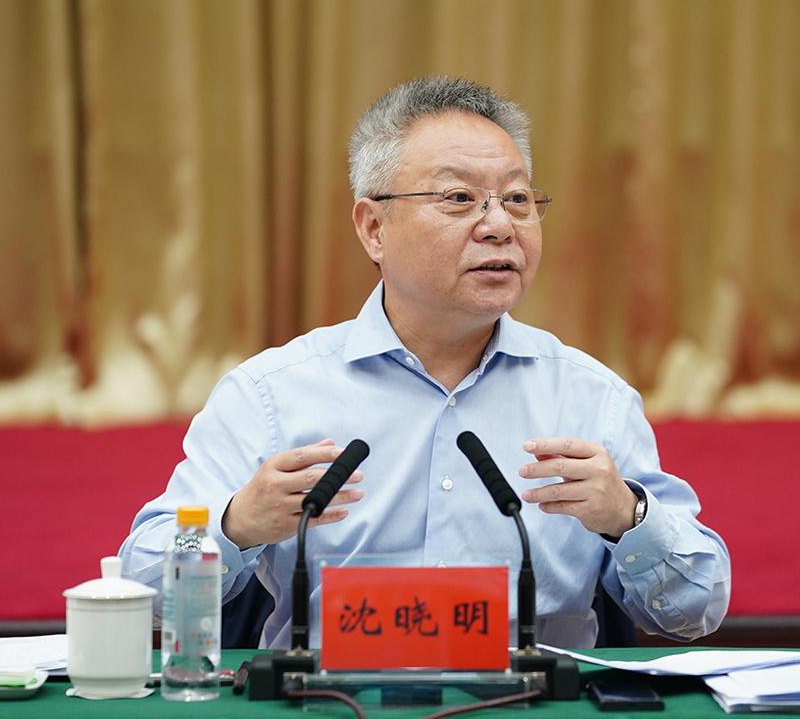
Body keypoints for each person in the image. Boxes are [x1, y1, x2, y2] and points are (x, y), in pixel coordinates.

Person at [120, 76, 730, 649]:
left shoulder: (592, 398)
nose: (500, 226)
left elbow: (695, 609)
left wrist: (629, 516)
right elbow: (145, 590)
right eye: (459, 198)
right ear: (374, 228)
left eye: (518, 199)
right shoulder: (273, 394)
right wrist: (235, 525)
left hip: (531, 705)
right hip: (335, 702)